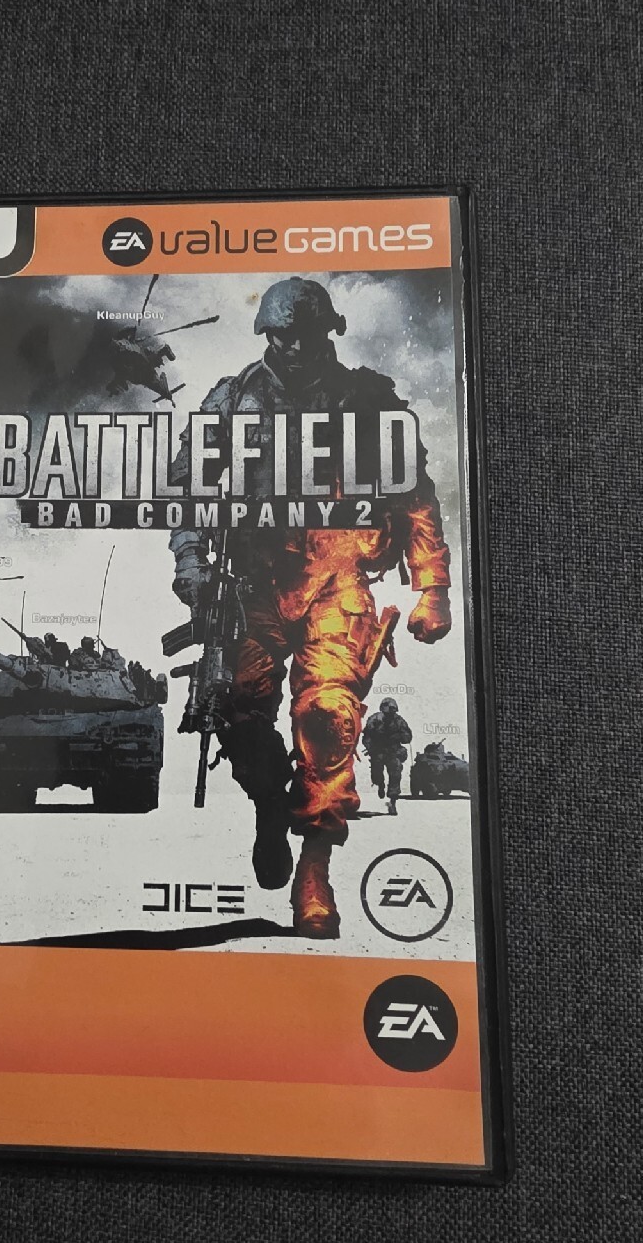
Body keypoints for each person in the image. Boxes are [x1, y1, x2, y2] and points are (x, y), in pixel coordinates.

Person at [169, 277, 451, 939]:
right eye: (282, 336)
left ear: (328, 333)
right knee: (236, 708)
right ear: (267, 335)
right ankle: (271, 801)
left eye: (306, 335)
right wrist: (189, 559)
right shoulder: (231, 399)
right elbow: (188, 490)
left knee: (328, 717)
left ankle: (314, 870)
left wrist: (432, 587)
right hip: (253, 583)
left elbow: (415, 497)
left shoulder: (368, 399)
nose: (294, 348)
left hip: (339, 580)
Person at [362, 697, 413, 815]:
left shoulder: (399, 721)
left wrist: (399, 736)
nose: (390, 715)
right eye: (387, 712)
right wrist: (371, 749)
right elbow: (367, 737)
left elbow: (408, 737)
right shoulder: (374, 719)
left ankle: (393, 802)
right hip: (378, 752)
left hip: (393, 752)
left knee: (396, 774)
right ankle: (380, 784)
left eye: (392, 712)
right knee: (376, 773)